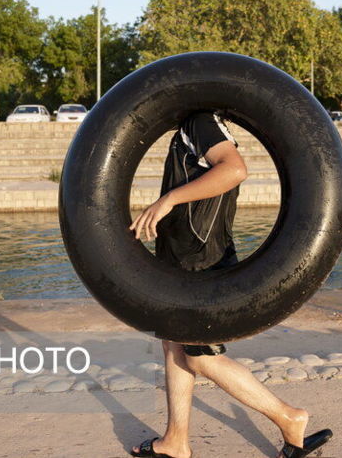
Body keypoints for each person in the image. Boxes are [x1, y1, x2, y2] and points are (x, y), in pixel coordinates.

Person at [128, 111, 331, 458]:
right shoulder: (196, 126)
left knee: (201, 359)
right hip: (185, 259)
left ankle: (289, 418)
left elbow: (234, 169)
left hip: (201, 264)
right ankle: (176, 441)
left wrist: (168, 199)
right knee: (175, 348)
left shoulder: (199, 122)